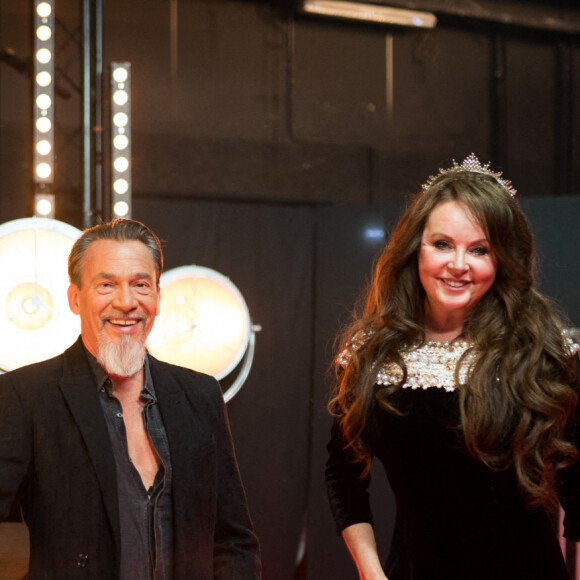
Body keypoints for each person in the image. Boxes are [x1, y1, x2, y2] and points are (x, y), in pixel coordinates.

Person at [325, 154, 580, 580]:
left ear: (502, 261)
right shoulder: (370, 352)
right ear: (415, 249)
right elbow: (344, 477)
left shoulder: (544, 354)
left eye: (479, 249)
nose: (458, 265)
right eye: (443, 244)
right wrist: (372, 574)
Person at [0, 218, 261, 580]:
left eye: (140, 284)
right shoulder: (26, 395)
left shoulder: (200, 395)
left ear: (157, 297)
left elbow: (233, 540)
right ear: (75, 299)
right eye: (106, 285)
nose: (126, 302)